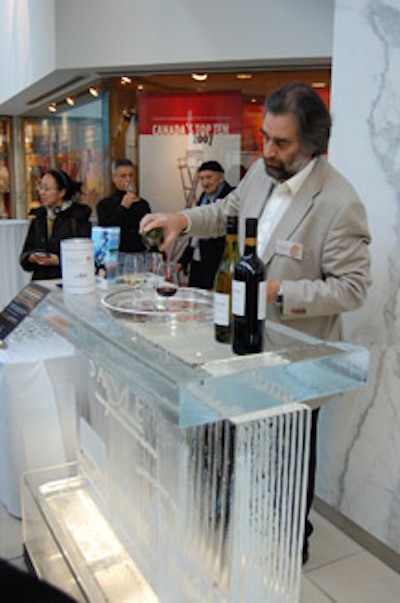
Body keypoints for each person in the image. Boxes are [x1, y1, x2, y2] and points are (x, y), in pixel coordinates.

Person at [140, 81, 372, 564]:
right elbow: (227, 211)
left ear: (313, 145)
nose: (267, 150)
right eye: (264, 136)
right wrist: (181, 220)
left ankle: (289, 544)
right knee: (244, 442)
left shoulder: (339, 202)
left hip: (295, 358)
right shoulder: (260, 175)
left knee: (288, 458)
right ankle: (245, 522)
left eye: (280, 142)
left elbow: (351, 288)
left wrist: (276, 292)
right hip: (240, 346)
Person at [20, 169, 92, 280]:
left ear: (62, 192)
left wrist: (59, 260)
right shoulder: (39, 218)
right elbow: (25, 254)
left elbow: (86, 256)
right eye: (41, 188)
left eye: (47, 189)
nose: (41, 193)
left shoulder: (77, 217)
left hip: (69, 281)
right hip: (41, 282)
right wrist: (31, 257)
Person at [178, 160, 234, 289]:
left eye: (209, 177)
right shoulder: (204, 196)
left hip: (217, 262)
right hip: (198, 261)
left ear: (221, 177)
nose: (205, 183)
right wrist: (184, 259)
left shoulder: (230, 196)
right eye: (201, 178)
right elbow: (195, 235)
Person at [96, 158, 151, 255]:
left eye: (131, 175)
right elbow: (106, 230)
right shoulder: (105, 204)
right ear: (114, 178)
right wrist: (123, 207)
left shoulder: (142, 204)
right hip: (116, 254)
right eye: (123, 176)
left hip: (139, 253)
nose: (128, 180)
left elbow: (149, 232)